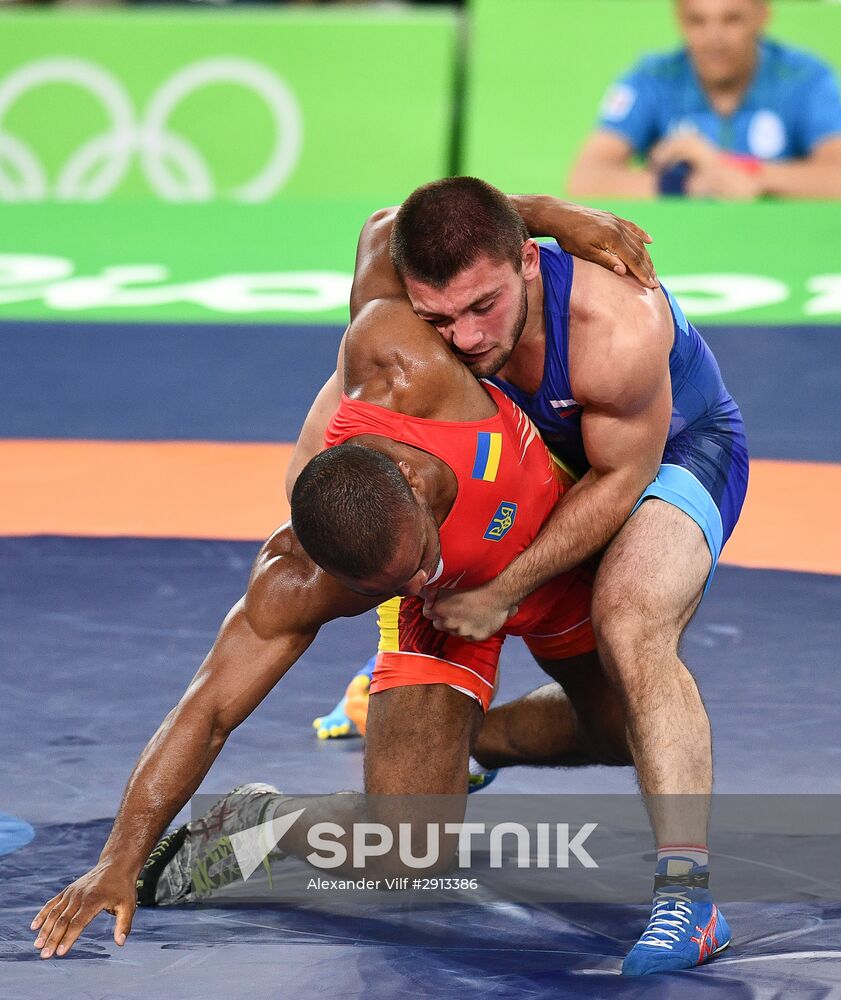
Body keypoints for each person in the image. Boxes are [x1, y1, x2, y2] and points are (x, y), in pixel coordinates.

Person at [30, 205, 653, 963]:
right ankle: (260, 821)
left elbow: (391, 224)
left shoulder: (405, 361)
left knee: (633, 731)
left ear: (415, 485)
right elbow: (209, 708)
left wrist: (542, 215)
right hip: (446, 621)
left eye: (418, 561)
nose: (422, 578)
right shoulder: (307, 576)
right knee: (407, 860)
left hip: (549, 556)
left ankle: (475, 743)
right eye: (388, 585)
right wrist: (117, 861)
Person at [290, 178, 747, 974]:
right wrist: (544, 211)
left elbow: (618, 480)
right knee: (403, 854)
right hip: (542, 454)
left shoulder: (615, 323)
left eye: (483, 308)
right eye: (442, 317)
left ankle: (688, 899)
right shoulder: (413, 275)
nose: (464, 338)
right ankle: (438, 741)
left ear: (527, 269)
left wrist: (502, 590)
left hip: (670, 454)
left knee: (630, 621)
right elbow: (393, 222)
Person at [568, 0, 841, 199]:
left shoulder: (805, 78)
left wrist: (728, 167)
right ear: (679, 18)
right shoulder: (653, 78)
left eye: (731, 19)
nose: (714, 39)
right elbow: (585, 179)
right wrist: (687, 185)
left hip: (783, 241)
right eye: (698, 21)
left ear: (762, 14)